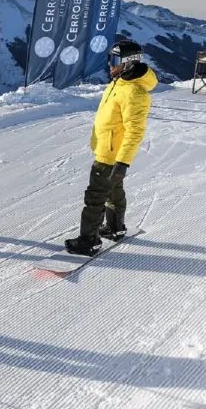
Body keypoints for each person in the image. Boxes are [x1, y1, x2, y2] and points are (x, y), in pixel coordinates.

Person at [64, 39, 158, 257]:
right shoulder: (120, 81)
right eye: (109, 59)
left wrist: (123, 163)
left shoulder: (135, 93)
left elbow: (135, 132)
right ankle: (115, 228)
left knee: (95, 197)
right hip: (108, 149)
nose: (109, 65)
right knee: (113, 191)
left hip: (111, 155)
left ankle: (89, 241)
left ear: (129, 63)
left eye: (114, 60)